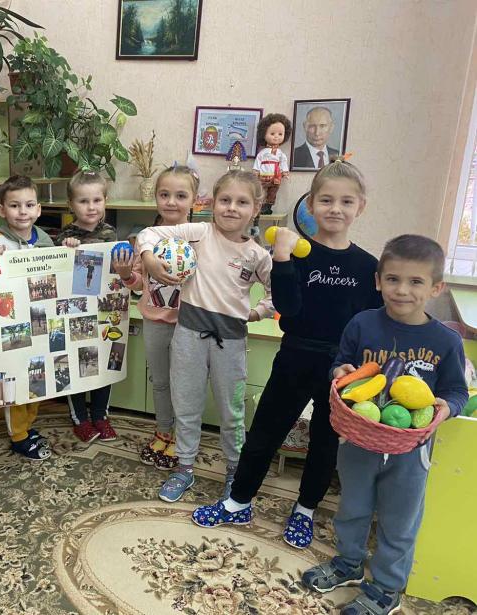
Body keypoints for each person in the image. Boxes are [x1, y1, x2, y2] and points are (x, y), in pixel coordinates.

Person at [191, 160, 382, 549]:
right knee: (264, 432)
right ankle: (238, 501)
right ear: (310, 204)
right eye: (326, 200)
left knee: (325, 443)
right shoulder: (296, 253)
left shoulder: (368, 267)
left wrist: (363, 370)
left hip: (341, 369)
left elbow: (371, 323)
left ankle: (305, 509)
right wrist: (281, 259)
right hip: (295, 355)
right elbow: (289, 311)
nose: (335, 209)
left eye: (346, 202)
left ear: (360, 207)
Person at [302, 234, 467, 615]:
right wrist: (340, 372)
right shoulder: (362, 324)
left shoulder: (445, 341)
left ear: (436, 287)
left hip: (411, 451)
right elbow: (341, 363)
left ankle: (387, 586)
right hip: (359, 440)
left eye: (415, 281)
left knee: (399, 520)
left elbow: (457, 391)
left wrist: (447, 408)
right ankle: (348, 563)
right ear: (378, 281)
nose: (402, 290)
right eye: (393, 279)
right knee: (352, 507)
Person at [138, 169, 274, 503]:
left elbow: (277, 293)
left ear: (256, 208)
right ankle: (184, 467)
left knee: (231, 412)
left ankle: (234, 470)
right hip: (187, 336)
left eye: (241, 202)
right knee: (187, 405)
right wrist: (149, 260)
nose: (231, 208)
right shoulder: (198, 233)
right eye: (225, 200)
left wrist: (257, 312)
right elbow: (149, 233)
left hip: (231, 343)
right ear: (212, 203)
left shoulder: (257, 255)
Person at [112, 165, 195, 471]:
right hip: (154, 321)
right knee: (159, 381)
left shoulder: (200, 238)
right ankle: (163, 431)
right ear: (156, 198)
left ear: (194, 200)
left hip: (189, 325)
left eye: (180, 195)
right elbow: (137, 283)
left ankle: (183, 438)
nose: (171, 202)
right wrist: (125, 275)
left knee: (183, 385)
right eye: (164, 194)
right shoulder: (145, 239)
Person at [0, 175, 55, 461]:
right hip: (12, 325)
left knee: (37, 377)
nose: (22, 211)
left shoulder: (46, 240)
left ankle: (27, 426)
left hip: (39, 321)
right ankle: (18, 436)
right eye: (15, 205)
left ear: (38, 209)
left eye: (28, 205)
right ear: (2, 210)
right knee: (15, 378)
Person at [57, 171, 118, 442]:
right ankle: (80, 418)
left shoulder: (110, 233)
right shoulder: (66, 235)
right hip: (75, 313)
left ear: (105, 201)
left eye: (97, 200)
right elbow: (58, 271)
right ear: (71, 205)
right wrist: (66, 248)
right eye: (83, 201)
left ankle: (101, 416)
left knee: (103, 364)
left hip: (103, 311)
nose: (91, 207)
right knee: (75, 365)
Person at [253, 113, 292, 214]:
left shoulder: (280, 153)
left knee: (273, 191)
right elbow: (258, 160)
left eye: (280, 134)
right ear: (264, 134)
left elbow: (283, 162)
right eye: (272, 134)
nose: (276, 137)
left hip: (276, 176)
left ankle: (268, 206)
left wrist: (285, 172)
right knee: (261, 190)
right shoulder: (263, 152)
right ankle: (260, 206)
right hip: (264, 174)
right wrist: (256, 170)